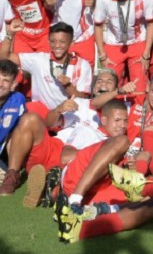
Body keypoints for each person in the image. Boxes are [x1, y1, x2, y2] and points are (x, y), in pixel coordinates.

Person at [0, 69, 126, 203]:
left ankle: (51, 186)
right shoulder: (81, 104)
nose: (103, 84)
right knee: (29, 119)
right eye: (99, 81)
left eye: (109, 81)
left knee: (85, 154)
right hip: (54, 149)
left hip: (80, 161)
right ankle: (12, 176)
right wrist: (58, 110)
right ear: (94, 89)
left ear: (116, 89)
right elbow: (49, 123)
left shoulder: (122, 114)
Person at [0, 21, 92, 118]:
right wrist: (10, 34)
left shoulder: (83, 65)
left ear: (71, 42)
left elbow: (84, 99)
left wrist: (68, 86)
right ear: (48, 41)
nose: (57, 45)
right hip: (41, 114)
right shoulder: (39, 60)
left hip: (69, 116)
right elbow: (4, 58)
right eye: (53, 41)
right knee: (29, 113)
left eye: (62, 42)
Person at [94, 0, 153, 94]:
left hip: (138, 43)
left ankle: (136, 114)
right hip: (113, 44)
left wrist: (146, 53)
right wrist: (102, 55)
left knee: (139, 88)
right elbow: (98, 26)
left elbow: (151, 24)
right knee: (110, 88)